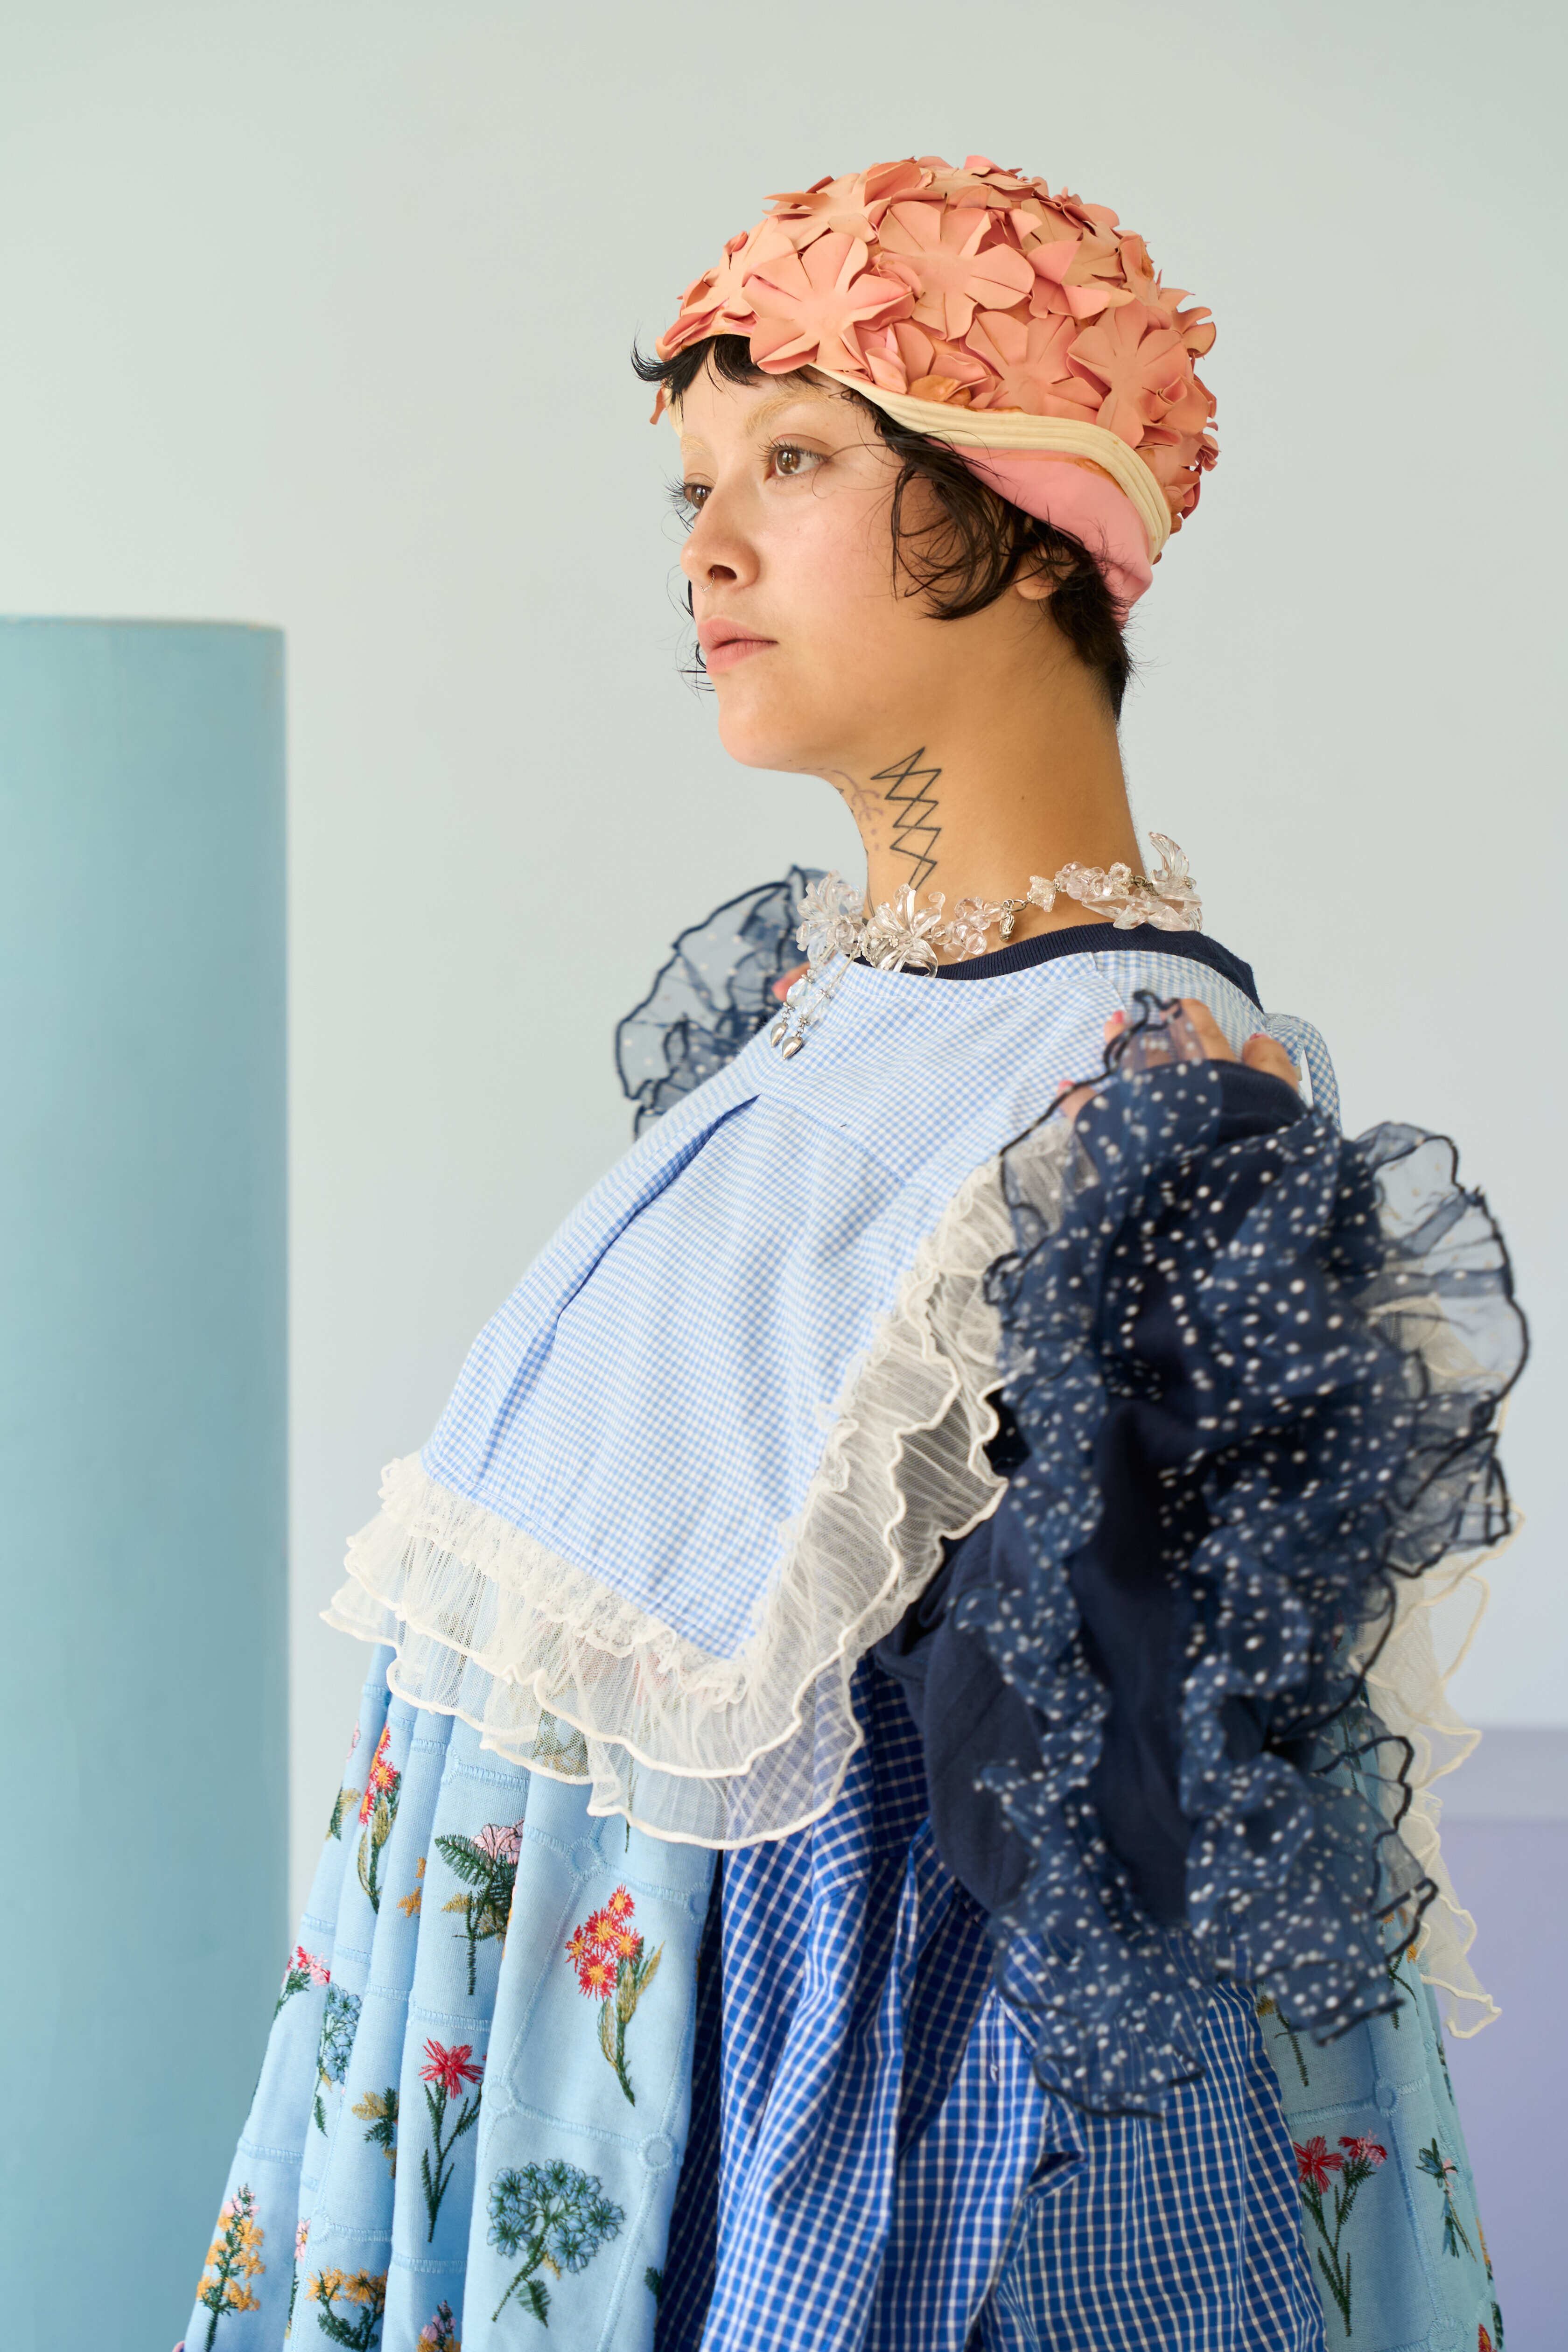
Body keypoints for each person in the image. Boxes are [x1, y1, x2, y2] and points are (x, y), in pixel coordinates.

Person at [184, 154, 1522, 2352]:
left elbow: (1098, 1929)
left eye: (795, 460)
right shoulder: (836, 1034)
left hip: (768, 2180)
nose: (707, 546)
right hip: (523, 2105)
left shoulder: (1139, 1111)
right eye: (697, 487)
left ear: (1036, 518)